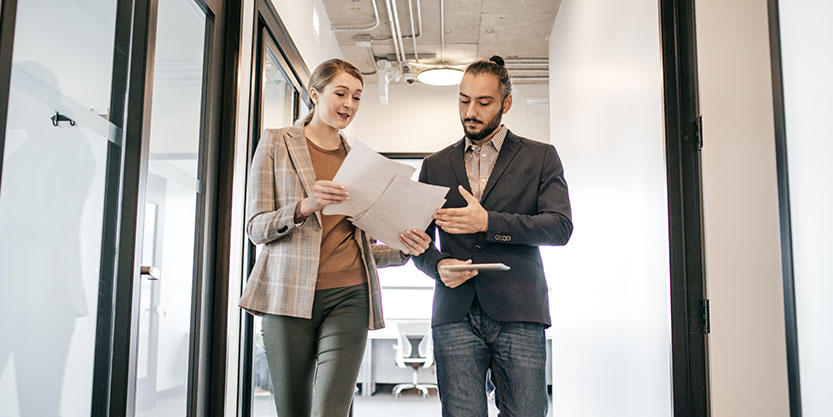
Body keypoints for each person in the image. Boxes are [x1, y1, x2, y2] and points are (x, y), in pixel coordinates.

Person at [239, 59, 432, 417]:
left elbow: (364, 246)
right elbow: (255, 229)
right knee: (294, 410)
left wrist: (404, 247)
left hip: (350, 295)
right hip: (288, 296)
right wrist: (305, 206)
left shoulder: (359, 159)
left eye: (357, 97)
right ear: (315, 94)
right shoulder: (276, 143)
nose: (349, 105)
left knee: (331, 410)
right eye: (341, 93)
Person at [413, 55, 573, 417]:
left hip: (519, 308)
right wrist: (438, 265)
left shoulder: (541, 157)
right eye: (464, 99)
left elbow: (559, 227)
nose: (471, 110)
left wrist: (488, 222)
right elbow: (419, 242)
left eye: (483, 102)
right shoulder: (434, 165)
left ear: (506, 103)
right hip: (454, 311)